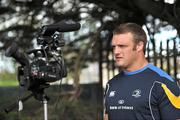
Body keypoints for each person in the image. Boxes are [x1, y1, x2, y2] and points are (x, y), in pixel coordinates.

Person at [104, 23, 180, 120]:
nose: (116, 52)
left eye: (122, 46)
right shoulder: (111, 84)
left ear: (139, 46)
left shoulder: (164, 83)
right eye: (114, 47)